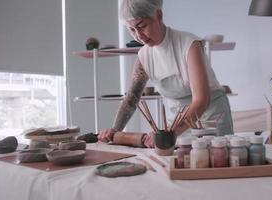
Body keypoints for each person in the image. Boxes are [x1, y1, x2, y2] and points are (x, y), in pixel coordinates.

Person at [98, 0, 233, 147]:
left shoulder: (189, 45)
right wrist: (115, 130)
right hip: (175, 126)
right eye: (131, 30)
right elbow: (131, 100)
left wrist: (169, 133)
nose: (139, 36)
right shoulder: (144, 56)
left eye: (142, 26)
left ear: (159, 15)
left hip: (210, 121)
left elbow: (201, 100)